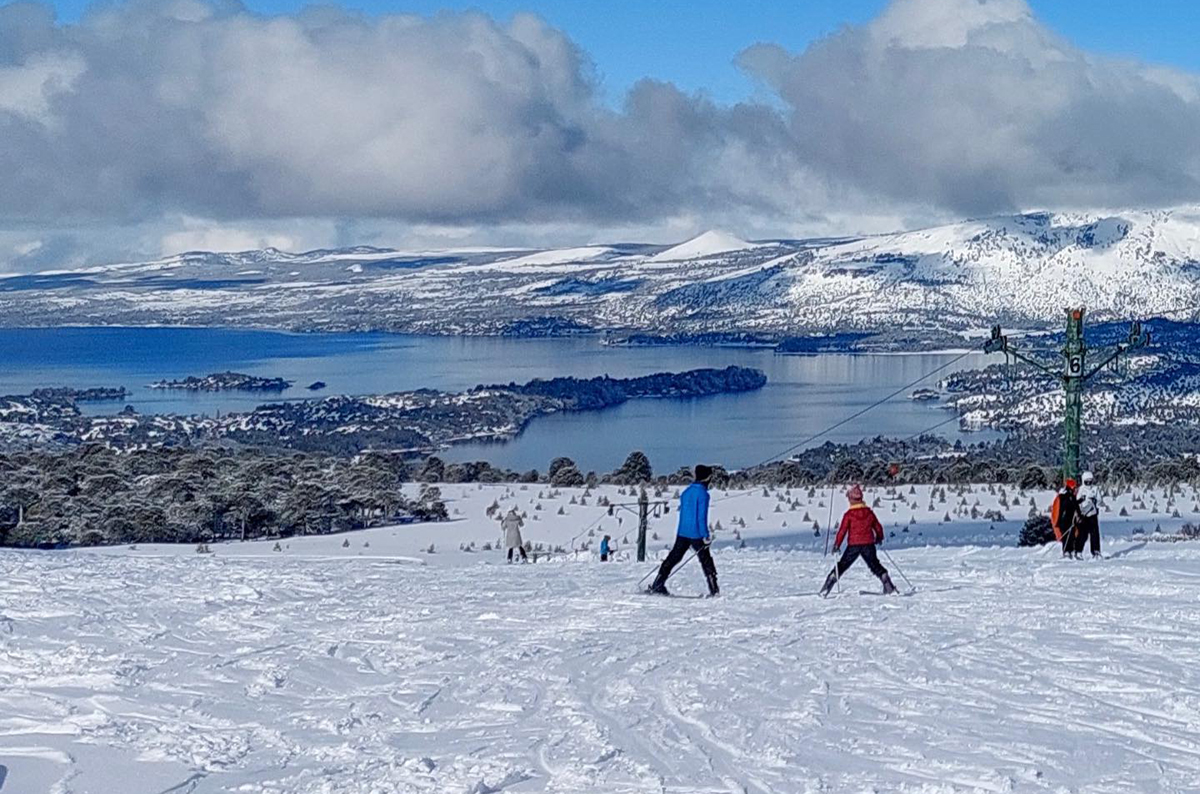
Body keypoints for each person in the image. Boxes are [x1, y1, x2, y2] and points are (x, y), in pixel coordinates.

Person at [648, 464, 719, 596]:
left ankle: (658, 583)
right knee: (706, 560)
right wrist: (706, 535)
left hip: (682, 532)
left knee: (674, 557)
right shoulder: (703, 494)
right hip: (696, 533)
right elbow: (701, 517)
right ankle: (714, 590)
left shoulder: (686, 492)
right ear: (707, 478)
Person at [820, 484, 896, 597]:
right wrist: (879, 537)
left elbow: (842, 531)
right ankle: (887, 583)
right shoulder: (869, 513)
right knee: (875, 565)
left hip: (853, 545)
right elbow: (878, 527)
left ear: (851, 500)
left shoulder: (849, 515)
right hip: (868, 544)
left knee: (842, 565)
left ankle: (828, 585)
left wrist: (837, 545)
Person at [1073, 471, 1101, 559]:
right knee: (1082, 534)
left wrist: (1095, 502)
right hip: (1083, 515)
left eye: (1090, 481)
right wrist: (1081, 500)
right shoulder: (1081, 489)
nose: (1088, 484)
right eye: (1087, 482)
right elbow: (1076, 502)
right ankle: (1078, 551)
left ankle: (1096, 551)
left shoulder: (1095, 489)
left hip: (1092, 514)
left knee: (1094, 534)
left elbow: (1099, 499)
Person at [1051, 479, 1079, 558]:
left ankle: (1070, 551)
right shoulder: (1064, 497)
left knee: (1072, 536)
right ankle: (1066, 551)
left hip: (1071, 520)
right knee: (1067, 536)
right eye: (1074, 487)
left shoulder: (1070, 496)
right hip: (1065, 520)